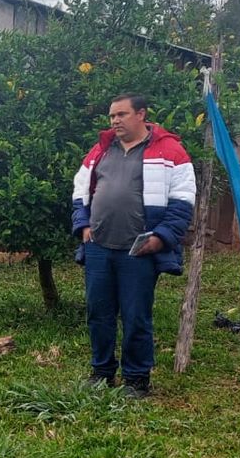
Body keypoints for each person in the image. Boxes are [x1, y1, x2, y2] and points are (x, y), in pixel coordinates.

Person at [71, 93, 195, 398]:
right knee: (98, 313)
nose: (115, 121)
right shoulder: (101, 150)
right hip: (99, 246)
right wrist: (83, 225)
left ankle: (136, 379)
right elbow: (79, 190)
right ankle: (101, 372)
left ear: (141, 114)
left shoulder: (171, 152)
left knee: (136, 314)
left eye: (121, 115)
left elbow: (182, 203)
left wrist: (160, 237)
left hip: (138, 250)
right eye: (112, 116)